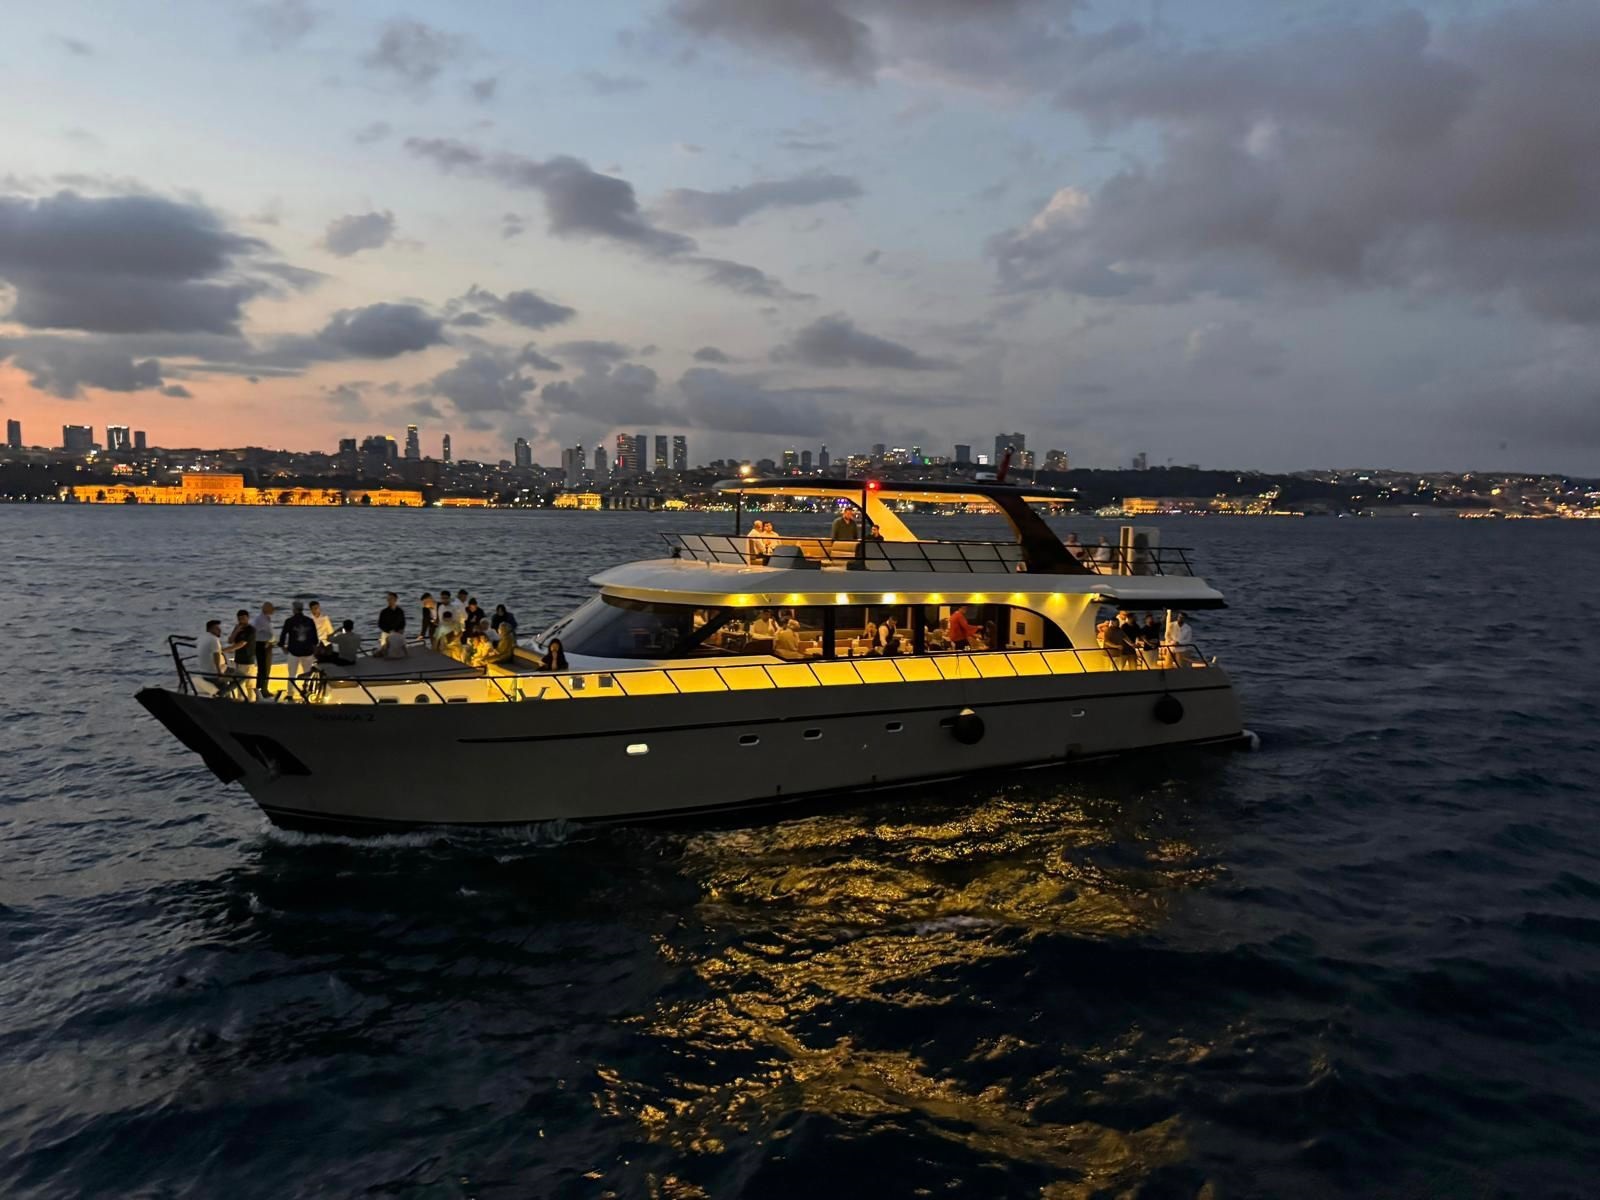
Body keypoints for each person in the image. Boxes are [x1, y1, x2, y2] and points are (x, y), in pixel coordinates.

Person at [279, 600, 320, 694]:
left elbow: (283, 636)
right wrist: (314, 648)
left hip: (294, 651)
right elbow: (315, 638)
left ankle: (290, 693)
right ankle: (306, 691)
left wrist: (283, 647)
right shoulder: (310, 621)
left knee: (292, 674)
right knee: (307, 673)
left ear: (294, 609)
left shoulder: (289, 621)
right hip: (308, 651)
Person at [196, 619, 241, 696]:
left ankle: (223, 693)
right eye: (217, 628)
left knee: (225, 684)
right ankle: (222, 694)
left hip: (204, 671)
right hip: (214, 673)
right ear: (210, 629)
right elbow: (216, 655)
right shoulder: (214, 639)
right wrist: (219, 672)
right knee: (241, 676)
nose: (220, 630)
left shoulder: (201, 638)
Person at [250, 601, 276, 700]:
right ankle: (262, 690)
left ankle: (263, 689)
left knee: (266, 669)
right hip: (262, 645)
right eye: (271, 608)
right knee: (263, 669)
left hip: (266, 645)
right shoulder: (259, 620)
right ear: (265, 608)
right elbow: (254, 632)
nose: (273, 610)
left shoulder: (266, 618)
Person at [377, 592, 407, 657]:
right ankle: (380, 651)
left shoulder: (400, 611)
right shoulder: (384, 612)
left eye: (391, 599)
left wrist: (401, 630)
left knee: (400, 650)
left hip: (398, 633)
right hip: (387, 633)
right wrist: (389, 631)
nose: (389, 600)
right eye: (388, 599)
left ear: (395, 599)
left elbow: (403, 622)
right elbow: (380, 624)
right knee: (384, 650)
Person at [227, 609, 255, 677]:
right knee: (238, 679)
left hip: (247, 661)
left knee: (245, 680)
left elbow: (242, 643)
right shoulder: (237, 628)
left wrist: (225, 650)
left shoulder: (251, 629)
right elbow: (230, 641)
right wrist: (236, 631)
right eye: (239, 619)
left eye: (243, 618)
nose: (241, 621)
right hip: (237, 660)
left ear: (248, 618)